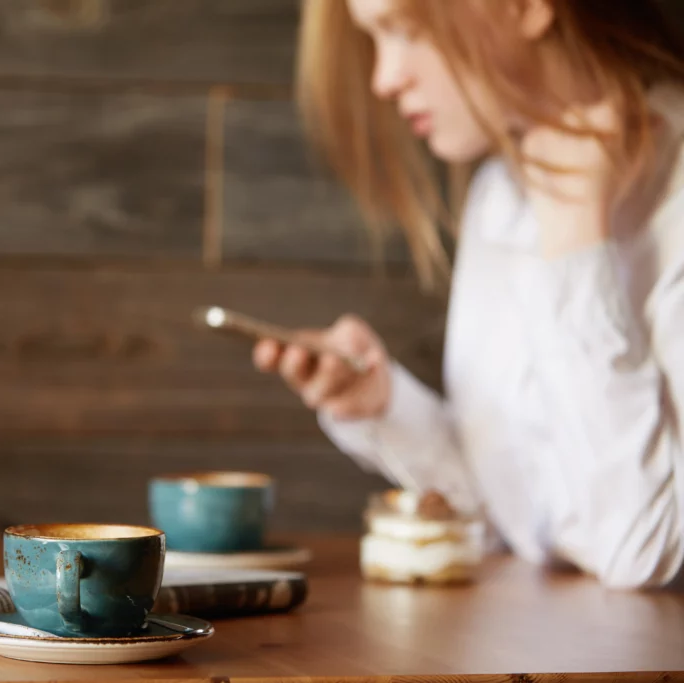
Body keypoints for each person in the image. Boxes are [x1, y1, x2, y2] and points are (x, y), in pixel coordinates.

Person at [254, 0, 684, 589]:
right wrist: (385, 407)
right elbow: (523, 523)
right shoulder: (501, 192)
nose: (383, 78)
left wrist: (577, 234)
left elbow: (643, 552)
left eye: (404, 31)